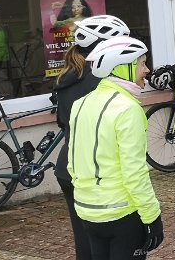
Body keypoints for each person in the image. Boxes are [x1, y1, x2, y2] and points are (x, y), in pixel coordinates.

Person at [70, 36, 163, 260]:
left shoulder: (80, 104)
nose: (147, 70)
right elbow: (135, 172)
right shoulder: (128, 109)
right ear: (123, 68)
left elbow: (73, 162)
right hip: (122, 214)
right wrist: (152, 217)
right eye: (142, 63)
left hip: (88, 211)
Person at [54, 14, 130, 260]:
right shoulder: (101, 82)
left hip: (69, 166)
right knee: (113, 242)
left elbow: (63, 122)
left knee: (86, 243)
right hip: (95, 170)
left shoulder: (68, 76)